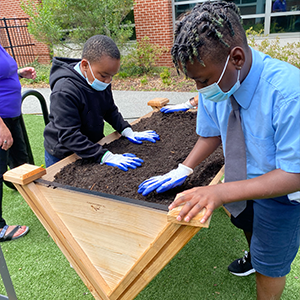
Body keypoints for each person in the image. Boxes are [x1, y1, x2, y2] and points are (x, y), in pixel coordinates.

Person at [138, 2, 300, 299]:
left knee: (271, 266)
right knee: (247, 222)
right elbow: (210, 135)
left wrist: (220, 192)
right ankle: (254, 256)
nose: (200, 90)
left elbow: (295, 174)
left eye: (203, 80)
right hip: (241, 180)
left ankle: (262, 267)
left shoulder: (290, 94)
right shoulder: (219, 82)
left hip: (282, 196)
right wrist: (183, 169)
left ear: (236, 57)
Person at [44, 35, 159, 169]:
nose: (108, 81)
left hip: (92, 146)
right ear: (85, 65)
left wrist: (126, 130)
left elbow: (109, 109)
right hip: (64, 153)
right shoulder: (64, 91)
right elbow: (69, 135)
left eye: (112, 76)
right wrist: (104, 155)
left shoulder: (99, 80)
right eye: (104, 75)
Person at [0, 44, 36, 241]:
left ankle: (22, 189)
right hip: (1, 119)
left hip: (12, 116)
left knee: (21, 158)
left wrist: (19, 74)